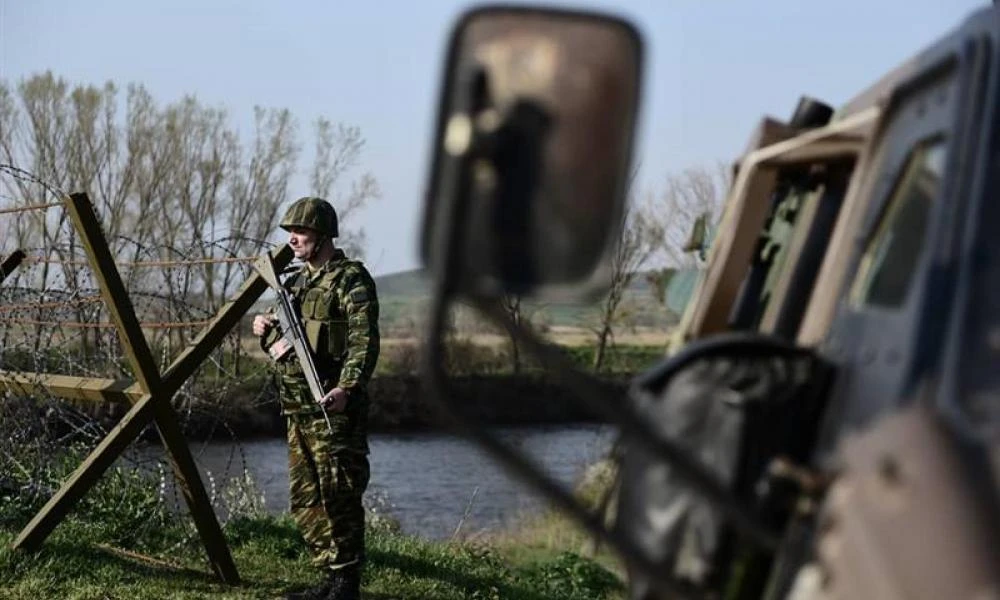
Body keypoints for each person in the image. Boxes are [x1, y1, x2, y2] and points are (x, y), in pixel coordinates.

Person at [253, 196, 380, 600]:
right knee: (306, 498)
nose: (293, 239)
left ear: (323, 235)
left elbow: (364, 341)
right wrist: (264, 331)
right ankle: (327, 575)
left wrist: (348, 387)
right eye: (290, 232)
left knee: (339, 493)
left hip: (334, 409)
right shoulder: (292, 282)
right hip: (297, 408)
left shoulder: (350, 280)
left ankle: (346, 581)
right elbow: (282, 346)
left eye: (301, 231)